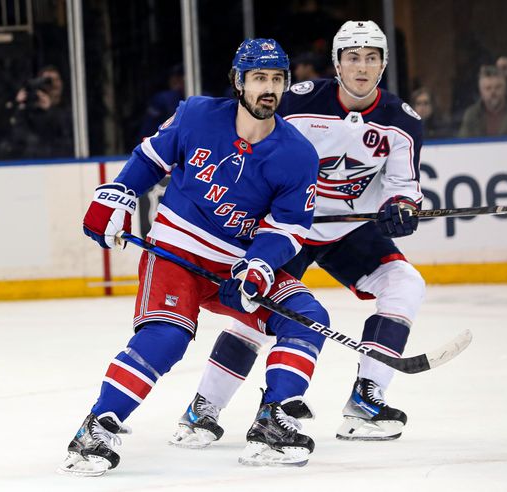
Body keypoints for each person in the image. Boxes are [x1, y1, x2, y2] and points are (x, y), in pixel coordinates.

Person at [58, 38, 329, 475]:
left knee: (306, 316)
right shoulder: (197, 114)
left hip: (235, 267)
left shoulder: (298, 153)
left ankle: (272, 420)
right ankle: (97, 428)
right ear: (239, 82)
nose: (269, 88)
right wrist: (119, 194)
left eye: (277, 79)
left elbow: (289, 228)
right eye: (259, 78)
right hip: (174, 254)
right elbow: (150, 158)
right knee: (166, 339)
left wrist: (259, 265)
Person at [170, 20, 425, 449]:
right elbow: (250, 141)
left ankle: (367, 399)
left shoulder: (402, 122)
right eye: (352, 57)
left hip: (347, 230)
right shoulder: (297, 103)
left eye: (371, 58)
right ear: (336, 63)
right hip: (287, 225)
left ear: (383, 64)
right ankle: (203, 410)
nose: (361, 67)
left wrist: (401, 207)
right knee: (255, 311)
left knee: (405, 284)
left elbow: (402, 187)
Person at [1, 65, 73, 158]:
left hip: (60, 160)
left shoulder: (70, 108)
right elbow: (16, 135)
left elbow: (68, 133)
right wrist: (18, 106)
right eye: (48, 81)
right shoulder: (29, 109)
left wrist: (50, 109)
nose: (53, 84)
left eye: (56, 80)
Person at [458, 65, 507, 137]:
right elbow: (463, 143)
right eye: (488, 88)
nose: (493, 92)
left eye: (498, 87)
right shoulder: (472, 115)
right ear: (481, 91)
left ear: (505, 89)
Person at [137, 64, 185, 139]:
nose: (175, 80)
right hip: (164, 142)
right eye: (174, 77)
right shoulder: (163, 98)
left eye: (180, 77)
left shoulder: (199, 97)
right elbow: (148, 127)